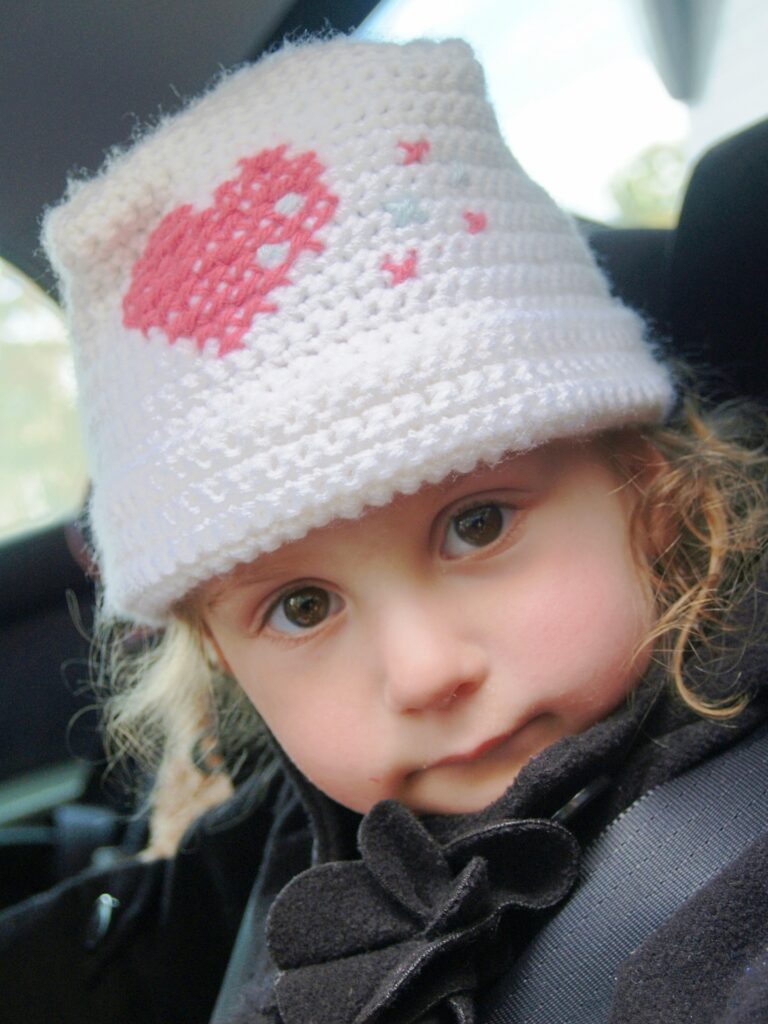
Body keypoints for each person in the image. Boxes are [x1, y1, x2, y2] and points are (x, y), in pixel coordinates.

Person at [1, 35, 767, 1024]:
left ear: (650, 489)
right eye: (303, 605)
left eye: (478, 523)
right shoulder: (294, 838)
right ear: (227, 664)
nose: (421, 671)